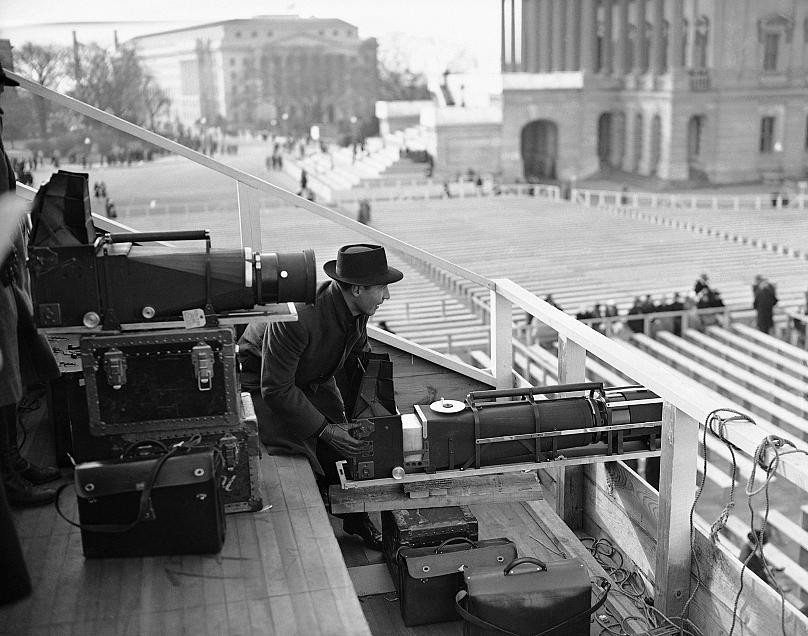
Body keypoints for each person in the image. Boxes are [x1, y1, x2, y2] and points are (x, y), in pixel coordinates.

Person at [238, 244, 403, 550]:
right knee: (301, 455)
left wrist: (369, 413)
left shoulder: (358, 310)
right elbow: (275, 388)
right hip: (260, 387)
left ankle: (356, 520)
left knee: (349, 446)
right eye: (382, 288)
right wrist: (325, 429)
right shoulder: (297, 316)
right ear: (356, 289)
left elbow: (357, 358)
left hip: (313, 379)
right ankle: (307, 535)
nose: (386, 297)